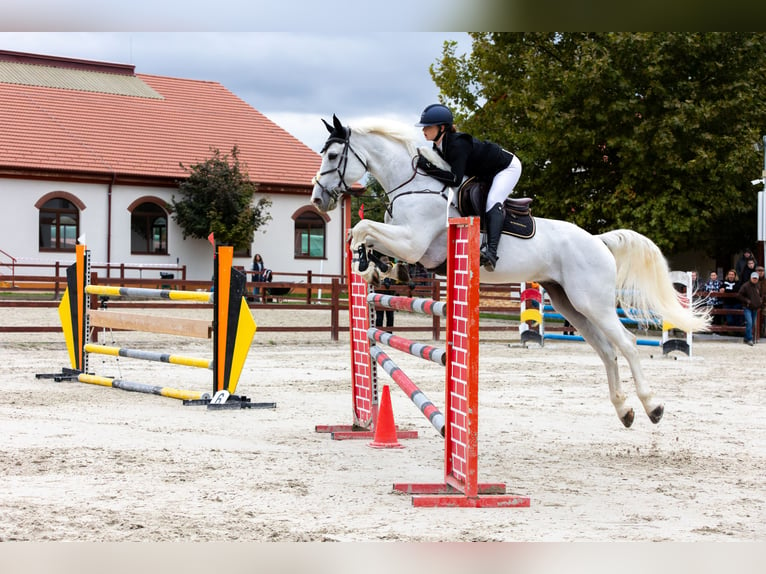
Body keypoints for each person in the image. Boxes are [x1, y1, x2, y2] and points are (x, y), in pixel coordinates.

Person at [414, 103, 522, 271]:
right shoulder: (438, 146)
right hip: (483, 171)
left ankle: (491, 253)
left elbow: (455, 179)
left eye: (427, 126)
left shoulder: (457, 144)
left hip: (506, 168)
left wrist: (428, 167)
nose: (423, 130)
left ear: (442, 128)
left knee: (493, 201)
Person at [737, 271, 762, 346]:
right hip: (747, 307)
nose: (755, 279)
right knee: (750, 323)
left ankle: (746, 338)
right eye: (754, 278)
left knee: (751, 323)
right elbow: (739, 295)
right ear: (751, 278)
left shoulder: (758, 286)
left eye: (756, 278)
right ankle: (750, 339)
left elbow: (760, 295)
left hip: (755, 307)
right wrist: (747, 301)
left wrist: (760, 303)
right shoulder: (745, 285)